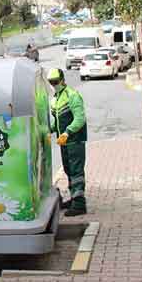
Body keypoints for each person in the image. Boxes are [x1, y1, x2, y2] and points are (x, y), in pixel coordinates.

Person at [47, 68, 88, 217]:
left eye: (56, 82)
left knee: (76, 171)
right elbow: (58, 121)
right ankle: (74, 198)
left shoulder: (72, 95)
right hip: (64, 142)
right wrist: (49, 130)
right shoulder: (55, 99)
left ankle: (79, 204)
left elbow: (79, 119)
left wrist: (67, 132)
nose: (54, 84)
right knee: (68, 169)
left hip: (75, 141)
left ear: (63, 79)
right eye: (51, 82)